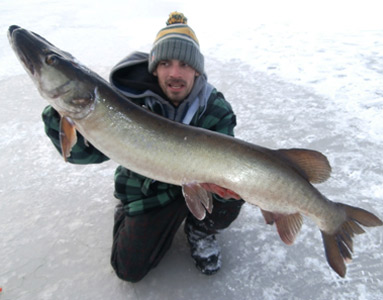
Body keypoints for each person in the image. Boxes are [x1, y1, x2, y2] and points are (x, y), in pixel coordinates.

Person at [41, 12, 244, 282]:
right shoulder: (128, 102)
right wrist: (60, 115)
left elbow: (229, 164)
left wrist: (226, 187)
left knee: (236, 188)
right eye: (165, 63)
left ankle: (200, 230)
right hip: (150, 190)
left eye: (184, 64)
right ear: (154, 67)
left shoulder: (215, 109)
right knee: (128, 269)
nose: (174, 73)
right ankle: (131, 212)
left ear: (197, 69)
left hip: (197, 184)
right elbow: (83, 153)